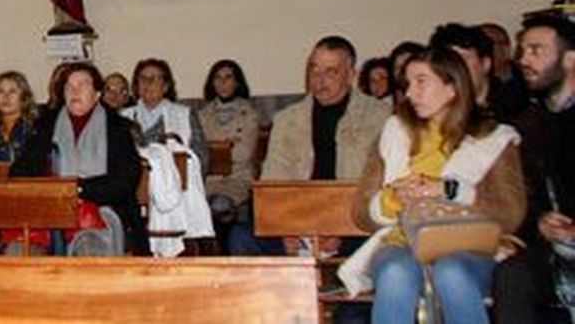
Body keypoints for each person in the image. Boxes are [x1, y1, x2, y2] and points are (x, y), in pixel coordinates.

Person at [340, 48, 524, 324]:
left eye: (421, 82)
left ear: (452, 88)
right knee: (395, 273)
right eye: (408, 84)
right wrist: (393, 199)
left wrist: (449, 190)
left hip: (469, 242)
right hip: (402, 240)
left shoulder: (493, 139)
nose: (409, 93)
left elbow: (510, 213)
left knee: (451, 272)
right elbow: (362, 213)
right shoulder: (395, 132)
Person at [233, 36, 387, 257]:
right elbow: (273, 182)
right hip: (297, 221)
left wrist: (342, 231)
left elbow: (378, 186)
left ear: (351, 75)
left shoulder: (379, 117)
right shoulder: (287, 119)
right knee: (240, 237)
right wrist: (285, 230)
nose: (319, 79)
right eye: (314, 70)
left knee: (384, 239)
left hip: (354, 223)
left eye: (331, 72)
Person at [12, 62, 148, 256]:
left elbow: (125, 180)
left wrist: (78, 189)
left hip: (101, 211)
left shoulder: (118, 127)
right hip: (48, 212)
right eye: (69, 86)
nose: (74, 91)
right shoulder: (46, 124)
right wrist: (47, 191)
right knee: (17, 251)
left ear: (97, 93)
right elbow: (19, 171)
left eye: (82, 85)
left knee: (89, 246)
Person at [494, 11, 575, 321]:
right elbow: (518, 196)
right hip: (551, 247)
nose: (523, 60)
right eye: (523, 51)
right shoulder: (526, 127)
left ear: (569, 59)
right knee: (512, 276)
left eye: (536, 51)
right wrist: (539, 223)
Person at [125, 58, 213, 253]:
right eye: (143, 79)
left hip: (177, 195)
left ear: (166, 86)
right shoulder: (123, 117)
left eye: (154, 79)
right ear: (136, 85)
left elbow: (201, 156)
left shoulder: (183, 115)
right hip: (133, 195)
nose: (148, 84)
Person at [196, 59, 260, 223]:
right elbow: (199, 153)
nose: (223, 83)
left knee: (220, 206)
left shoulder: (250, 114)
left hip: (237, 180)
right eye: (218, 78)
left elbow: (243, 154)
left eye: (228, 77)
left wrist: (215, 146)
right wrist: (229, 143)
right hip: (209, 181)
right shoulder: (202, 115)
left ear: (237, 83)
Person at [431, 22, 527, 121]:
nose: (456, 68)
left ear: (485, 64)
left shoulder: (518, 111)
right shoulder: (435, 110)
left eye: (463, 60)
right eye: (448, 61)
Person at [0, 71, 39, 164]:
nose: (6, 97)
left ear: (24, 98)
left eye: (12, 92)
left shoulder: (35, 130)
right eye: (1, 91)